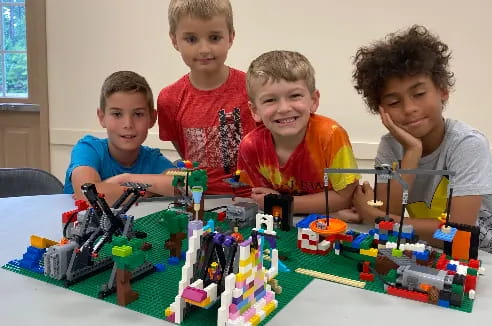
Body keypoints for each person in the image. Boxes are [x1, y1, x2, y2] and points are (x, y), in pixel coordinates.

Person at [351, 25, 492, 263]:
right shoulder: (390, 147)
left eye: (419, 94)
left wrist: (375, 217)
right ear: (380, 109)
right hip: (441, 257)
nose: (409, 109)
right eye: (393, 101)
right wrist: (412, 152)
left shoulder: (467, 144)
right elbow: (390, 225)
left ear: (443, 91)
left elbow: (458, 234)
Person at [237, 50, 359, 220]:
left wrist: (282, 202)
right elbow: (258, 199)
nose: (284, 108)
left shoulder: (331, 135)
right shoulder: (250, 146)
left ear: (314, 101)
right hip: (284, 223)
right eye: (270, 100)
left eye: (295, 96)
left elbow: (346, 197)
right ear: (255, 111)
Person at [157, 0, 256, 196]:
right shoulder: (168, 99)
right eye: (191, 39)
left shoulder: (254, 88)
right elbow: (184, 152)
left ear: (231, 37)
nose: (204, 49)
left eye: (214, 37)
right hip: (198, 199)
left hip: (254, 198)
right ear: (174, 40)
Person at [63, 71, 174, 205]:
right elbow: (89, 194)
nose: (128, 124)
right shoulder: (88, 149)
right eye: (117, 114)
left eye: (138, 114)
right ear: (102, 117)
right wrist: (153, 190)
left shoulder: (153, 159)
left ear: (152, 118)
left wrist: (126, 179)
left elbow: (183, 186)